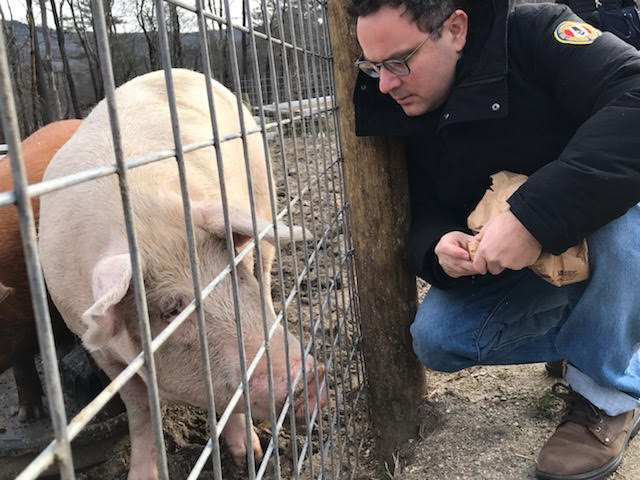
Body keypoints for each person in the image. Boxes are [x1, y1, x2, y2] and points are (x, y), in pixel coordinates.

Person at [347, 0, 640, 479]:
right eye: (373, 66)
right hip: (526, 261)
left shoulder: (535, 33)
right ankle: (605, 337)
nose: (385, 83)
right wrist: (439, 244)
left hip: (602, 225)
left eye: (399, 61)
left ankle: (606, 396)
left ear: (456, 29)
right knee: (439, 341)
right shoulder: (396, 99)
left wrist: (533, 218)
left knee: (620, 208)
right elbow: (420, 206)